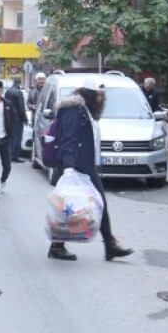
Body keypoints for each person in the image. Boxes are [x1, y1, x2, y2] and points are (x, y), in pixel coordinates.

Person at [47, 87, 134, 262]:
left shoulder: (86, 110)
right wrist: (69, 168)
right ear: (89, 93)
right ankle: (57, 246)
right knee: (68, 208)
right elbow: (69, 139)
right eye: (98, 95)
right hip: (75, 166)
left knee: (99, 203)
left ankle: (109, 245)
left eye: (103, 95)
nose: (101, 99)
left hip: (87, 166)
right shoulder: (74, 109)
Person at [5, 78, 27, 163]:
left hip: (9, 116)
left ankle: (9, 154)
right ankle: (14, 156)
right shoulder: (19, 92)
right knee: (17, 137)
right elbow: (21, 108)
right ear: (20, 82)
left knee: (11, 137)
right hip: (17, 118)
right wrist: (25, 119)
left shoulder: (8, 91)